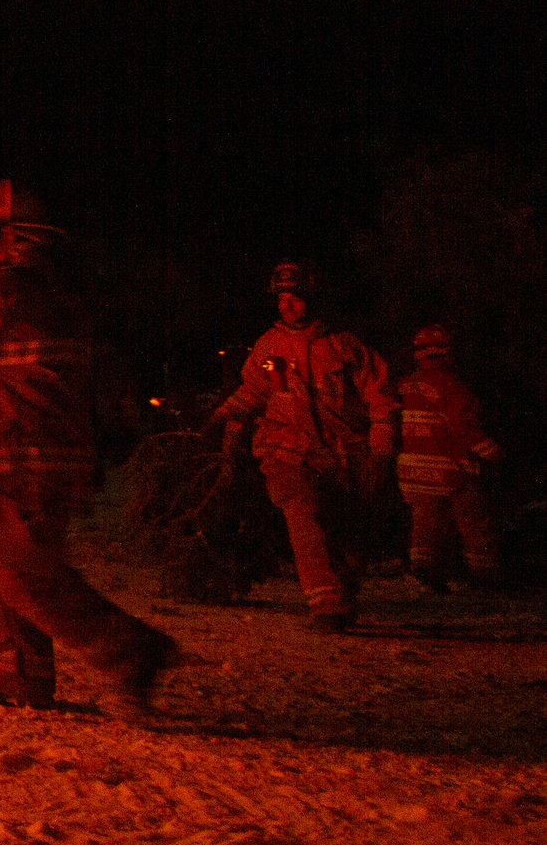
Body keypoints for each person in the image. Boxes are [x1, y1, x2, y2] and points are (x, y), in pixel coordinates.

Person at [0, 180, 179, 711]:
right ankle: (18, 673)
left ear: (6, 236)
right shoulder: (61, 297)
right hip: (59, 456)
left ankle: (128, 650)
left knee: (18, 570)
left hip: (22, 456)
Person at [214, 260, 398, 632]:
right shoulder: (270, 345)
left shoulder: (345, 345)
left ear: (313, 299)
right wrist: (226, 424)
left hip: (344, 455)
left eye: (295, 298)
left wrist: (381, 451)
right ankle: (326, 607)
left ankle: (341, 599)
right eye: (282, 298)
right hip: (286, 452)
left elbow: (381, 398)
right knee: (304, 516)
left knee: (346, 532)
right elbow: (252, 391)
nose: (287, 305)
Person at [394, 324, 503, 593]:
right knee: (474, 522)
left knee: (426, 525)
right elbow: (464, 427)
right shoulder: (452, 386)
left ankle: (423, 572)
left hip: (413, 472)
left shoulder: (405, 385)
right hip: (452, 469)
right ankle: (484, 575)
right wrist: (493, 454)